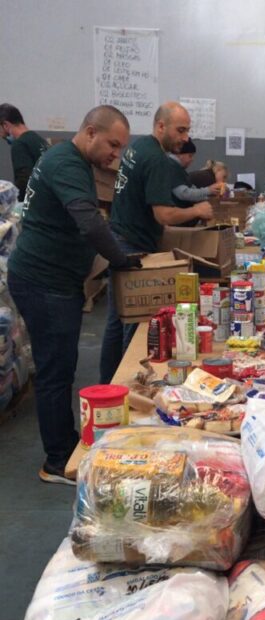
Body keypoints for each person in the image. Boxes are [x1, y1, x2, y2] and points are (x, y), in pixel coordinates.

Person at [7, 105, 142, 485]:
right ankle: (57, 460)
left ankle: (64, 447)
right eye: (112, 145)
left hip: (54, 281)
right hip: (44, 282)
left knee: (60, 367)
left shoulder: (72, 161)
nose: (116, 154)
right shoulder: (66, 162)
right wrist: (121, 260)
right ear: (90, 132)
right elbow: (88, 221)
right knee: (55, 371)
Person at [99, 102, 213, 383]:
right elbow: (163, 215)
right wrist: (197, 210)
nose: (185, 137)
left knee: (116, 319)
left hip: (118, 237)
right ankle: (129, 387)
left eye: (187, 130)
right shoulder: (157, 160)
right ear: (161, 126)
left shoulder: (138, 147)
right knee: (135, 323)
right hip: (133, 246)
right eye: (180, 130)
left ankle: (108, 383)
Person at [0, 103, 49, 200]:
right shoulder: (39, 139)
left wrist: (12, 201)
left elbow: (24, 180)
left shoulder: (19, 144)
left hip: (35, 202)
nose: (1, 136)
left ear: (5, 125)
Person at [167, 139, 221, 206]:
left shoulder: (178, 168)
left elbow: (192, 189)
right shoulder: (172, 167)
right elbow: (184, 194)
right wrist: (208, 190)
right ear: (180, 154)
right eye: (190, 156)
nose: (192, 159)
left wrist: (208, 195)